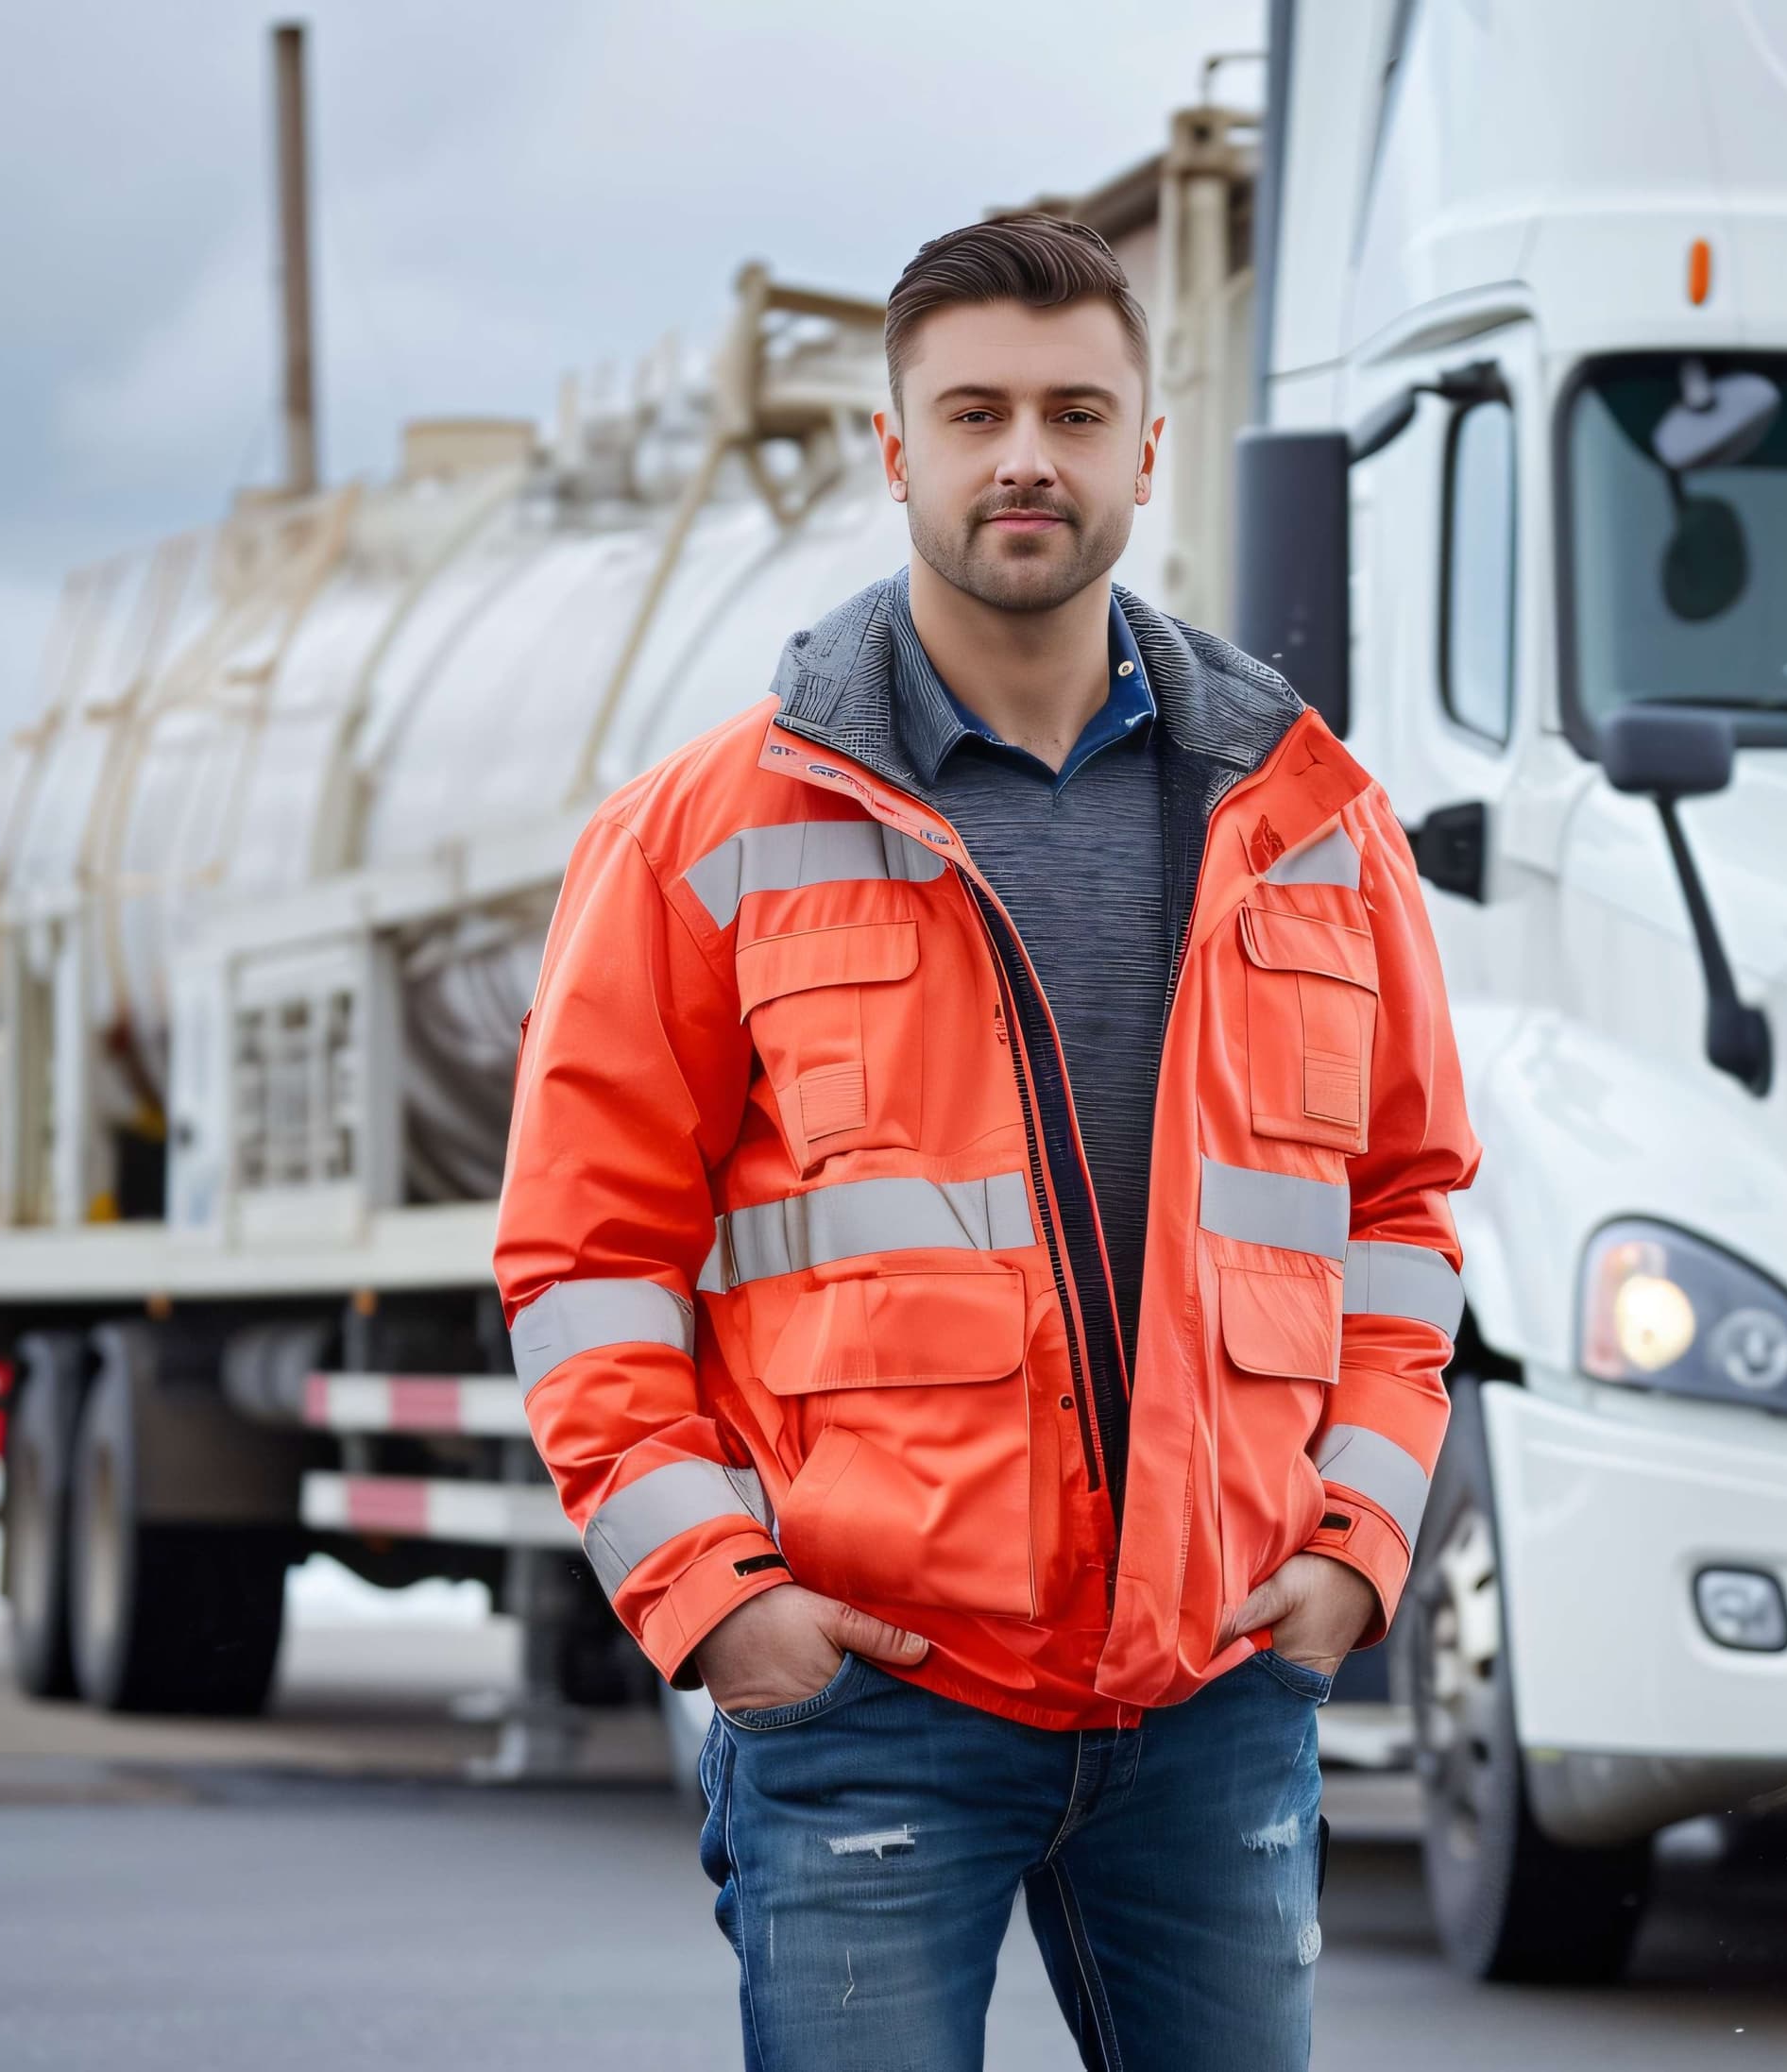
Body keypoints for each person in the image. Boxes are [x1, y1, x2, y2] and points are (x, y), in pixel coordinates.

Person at [494, 213, 1476, 2070]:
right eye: (975, 412)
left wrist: (1355, 1538)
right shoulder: (701, 835)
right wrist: (718, 1599)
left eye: (1075, 410)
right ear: (896, 452)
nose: (1025, 452)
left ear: (1144, 453)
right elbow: (583, 1255)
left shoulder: (1318, 822)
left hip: (1214, 1689)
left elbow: (1405, 1209)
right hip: (873, 1690)